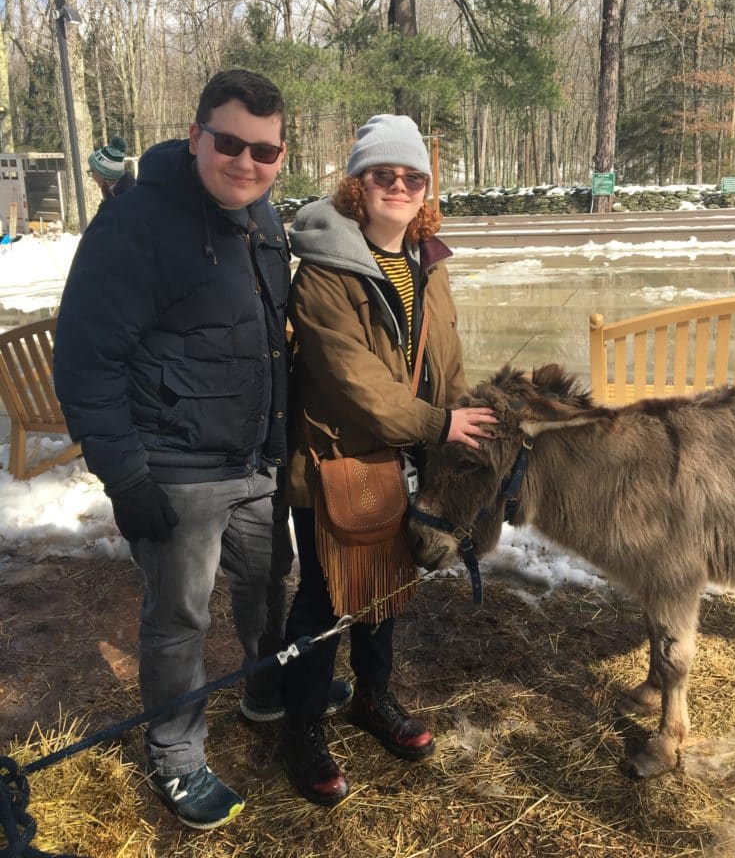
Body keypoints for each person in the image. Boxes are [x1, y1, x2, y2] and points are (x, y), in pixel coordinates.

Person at [53, 70, 350, 831]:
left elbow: (271, 346)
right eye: (229, 143)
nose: (246, 162)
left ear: (281, 155)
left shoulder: (266, 223)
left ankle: (263, 685)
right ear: (195, 139)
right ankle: (177, 757)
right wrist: (126, 475)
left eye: (265, 150)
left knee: (266, 584)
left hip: (255, 459)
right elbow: (87, 364)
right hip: (175, 469)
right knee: (179, 617)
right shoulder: (134, 226)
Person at [280, 114, 496, 806]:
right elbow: (355, 383)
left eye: (411, 177)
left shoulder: (427, 262)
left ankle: (373, 699)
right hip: (336, 465)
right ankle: (302, 730)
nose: (397, 187)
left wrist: (463, 425)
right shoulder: (323, 271)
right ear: (357, 184)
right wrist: (439, 425)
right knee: (323, 601)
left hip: (407, 463)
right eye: (382, 174)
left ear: (426, 188)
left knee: (387, 592)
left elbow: (448, 362)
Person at [87, 135, 136, 201]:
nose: (91, 176)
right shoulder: (119, 192)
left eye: (91, 171)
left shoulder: (122, 201)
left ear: (103, 174)